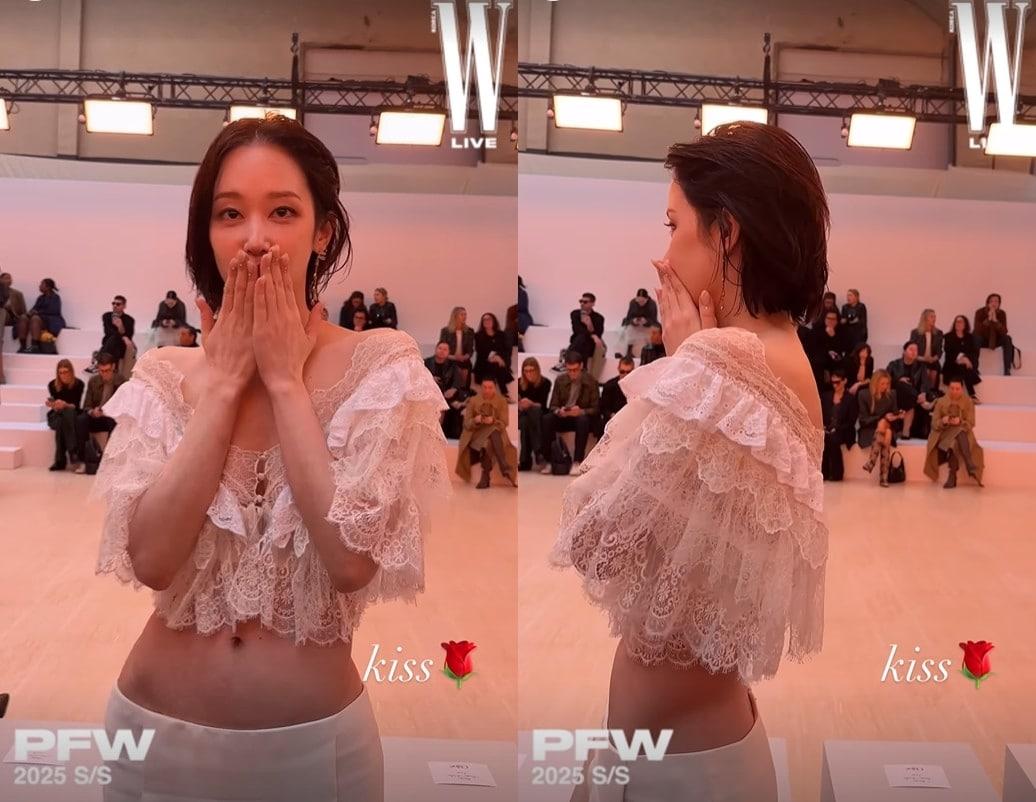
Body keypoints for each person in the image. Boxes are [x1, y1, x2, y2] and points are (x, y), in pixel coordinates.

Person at [88, 116, 450, 802]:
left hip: (314, 755)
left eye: (282, 211)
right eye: (230, 214)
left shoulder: (380, 365)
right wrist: (225, 383)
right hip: (151, 742)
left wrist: (284, 380)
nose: (255, 237)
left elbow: (350, 562)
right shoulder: (166, 372)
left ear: (323, 231)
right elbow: (152, 559)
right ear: (207, 234)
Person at [552, 123, 829, 802]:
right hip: (696, 746)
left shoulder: (722, 362)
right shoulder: (781, 353)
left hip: (681, 768)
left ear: (726, 232)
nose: (664, 250)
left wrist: (686, 366)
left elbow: (592, 543)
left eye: (674, 224)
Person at [539, 350, 601, 473]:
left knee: (583, 421)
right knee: (547, 419)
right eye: (569, 370)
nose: (572, 373)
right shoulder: (560, 380)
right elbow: (553, 405)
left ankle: (577, 461)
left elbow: (596, 408)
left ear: (581, 366)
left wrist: (581, 411)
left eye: (575, 370)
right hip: (564, 417)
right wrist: (559, 411)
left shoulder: (591, 381)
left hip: (581, 418)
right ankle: (549, 461)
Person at [455, 377, 518, 488]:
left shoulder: (502, 401)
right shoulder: (473, 400)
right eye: (484, 387)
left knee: (489, 440)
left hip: (495, 433)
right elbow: (466, 424)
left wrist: (493, 421)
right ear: (481, 387)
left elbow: (504, 423)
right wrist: (475, 420)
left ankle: (485, 475)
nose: (487, 390)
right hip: (476, 433)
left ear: (495, 388)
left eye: (490, 387)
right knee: (492, 433)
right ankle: (504, 466)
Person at [924, 378, 985, 488]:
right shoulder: (941, 401)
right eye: (952, 388)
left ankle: (952, 475)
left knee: (954, 442)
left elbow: (971, 423)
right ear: (948, 388)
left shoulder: (968, 402)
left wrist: (960, 421)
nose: (954, 391)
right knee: (956, 435)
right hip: (944, 433)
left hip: (962, 432)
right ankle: (969, 462)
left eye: (957, 389)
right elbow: (934, 423)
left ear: (962, 389)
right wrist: (943, 421)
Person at [76, 352, 126, 472]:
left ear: (113, 367)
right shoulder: (93, 381)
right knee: (81, 420)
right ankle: (83, 460)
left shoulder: (122, 382)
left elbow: (125, 406)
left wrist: (109, 412)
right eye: (101, 371)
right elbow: (86, 405)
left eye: (107, 370)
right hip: (97, 416)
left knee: (115, 423)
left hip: (112, 417)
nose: (104, 374)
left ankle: (109, 460)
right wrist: (92, 411)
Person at [857, 369, 903, 487]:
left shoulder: (891, 395)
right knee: (886, 433)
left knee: (885, 427)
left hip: (888, 425)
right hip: (869, 429)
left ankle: (871, 462)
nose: (885, 386)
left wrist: (897, 416)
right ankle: (884, 477)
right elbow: (863, 420)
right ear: (875, 383)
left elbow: (894, 414)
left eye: (887, 384)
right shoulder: (863, 394)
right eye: (882, 384)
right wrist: (881, 418)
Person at [887, 341, 935, 440]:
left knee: (912, 399)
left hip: (911, 399)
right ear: (904, 351)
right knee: (902, 384)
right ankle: (921, 402)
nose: (914, 352)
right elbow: (885, 380)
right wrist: (898, 381)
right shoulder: (894, 364)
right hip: (897, 395)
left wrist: (923, 393)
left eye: (916, 350)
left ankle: (906, 432)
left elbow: (925, 382)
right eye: (911, 349)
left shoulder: (920, 366)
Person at [46, 358, 86, 471]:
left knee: (65, 416)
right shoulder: (52, 385)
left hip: (71, 414)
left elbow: (75, 406)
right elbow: (55, 407)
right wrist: (53, 404)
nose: (63, 375)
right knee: (61, 419)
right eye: (60, 372)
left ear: (71, 371)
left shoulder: (79, 384)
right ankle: (73, 453)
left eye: (65, 372)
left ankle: (60, 461)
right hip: (56, 415)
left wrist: (65, 404)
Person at [820, 368, 858, 481]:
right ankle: (824, 472)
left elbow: (851, 421)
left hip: (844, 430)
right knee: (825, 438)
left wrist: (837, 428)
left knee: (832, 439)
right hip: (828, 429)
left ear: (844, 381)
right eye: (833, 382)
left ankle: (836, 473)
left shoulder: (850, 399)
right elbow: (821, 414)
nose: (835, 385)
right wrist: (824, 426)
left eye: (837, 382)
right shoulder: (826, 396)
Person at [89, 295, 137, 378]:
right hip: (109, 344)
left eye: (118, 304)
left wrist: (121, 326)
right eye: (113, 303)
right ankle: (115, 372)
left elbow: (129, 335)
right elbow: (108, 332)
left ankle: (98, 360)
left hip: (121, 347)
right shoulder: (107, 316)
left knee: (115, 340)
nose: (115, 305)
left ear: (124, 306)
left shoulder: (129, 319)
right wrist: (123, 335)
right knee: (114, 339)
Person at [517, 357, 551, 471]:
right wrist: (521, 404)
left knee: (529, 417)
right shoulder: (519, 383)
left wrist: (530, 403)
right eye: (526, 371)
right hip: (523, 413)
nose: (529, 373)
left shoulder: (545, 383)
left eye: (531, 370)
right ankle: (538, 451)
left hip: (538, 413)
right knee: (525, 419)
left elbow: (542, 404)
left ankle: (525, 461)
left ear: (537, 370)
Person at [563, 292, 605, 380]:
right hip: (579, 342)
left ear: (592, 303)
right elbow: (577, 330)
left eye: (585, 302)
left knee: (587, 340)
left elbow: (599, 334)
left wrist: (590, 325)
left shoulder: (599, 318)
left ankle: (566, 358)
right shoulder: (575, 314)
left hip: (591, 344)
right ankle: (584, 369)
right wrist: (592, 335)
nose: (582, 304)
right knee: (582, 338)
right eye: (581, 301)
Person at [17, 278, 66, 353]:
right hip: (41, 318)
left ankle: (34, 347)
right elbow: (34, 308)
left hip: (51, 320)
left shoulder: (55, 297)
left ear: (48, 287)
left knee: (35, 318)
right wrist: (30, 313)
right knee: (23, 317)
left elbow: (53, 311)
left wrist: (37, 313)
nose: (39, 286)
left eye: (42, 284)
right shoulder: (40, 298)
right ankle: (23, 347)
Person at [974, 293, 1014, 376]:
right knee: (976, 338)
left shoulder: (1002, 313)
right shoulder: (979, 312)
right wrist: (988, 319)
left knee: (1007, 338)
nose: (994, 303)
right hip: (983, 340)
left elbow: (1004, 331)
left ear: (999, 303)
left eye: (996, 301)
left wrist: (996, 321)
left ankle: (1007, 369)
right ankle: (974, 368)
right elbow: (978, 330)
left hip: (995, 340)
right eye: (991, 301)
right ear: (987, 303)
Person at [943, 314, 981, 401]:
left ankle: (959, 396)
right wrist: (960, 359)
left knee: (963, 367)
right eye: (956, 321)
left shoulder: (969, 337)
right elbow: (948, 352)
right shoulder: (948, 336)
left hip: (965, 365)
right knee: (962, 368)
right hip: (951, 364)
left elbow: (972, 352)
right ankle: (972, 394)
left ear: (965, 324)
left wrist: (966, 359)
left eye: (960, 322)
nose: (958, 323)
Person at [473, 311, 513, 395]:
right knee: (496, 366)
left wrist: (499, 358)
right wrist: (494, 357)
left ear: (494, 321)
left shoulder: (501, 334)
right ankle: (504, 392)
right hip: (483, 363)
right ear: (482, 323)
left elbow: (506, 350)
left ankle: (499, 393)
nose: (487, 321)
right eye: (484, 320)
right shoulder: (478, 335)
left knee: (496, 365)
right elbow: (480, 351)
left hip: (499, 362)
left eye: (489, 319)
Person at [0, 271, 29, 382]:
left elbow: (23, 311)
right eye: (5, 278)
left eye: (10, 278)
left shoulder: (17, 294)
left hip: (12, 318)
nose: (8, 280)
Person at [808, 309, 846, 389]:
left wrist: (833, 337)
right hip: (819, 361)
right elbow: (813, 348)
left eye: (833, 319)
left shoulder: (841, 331)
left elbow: (841, 350)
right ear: (824, 319)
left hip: (834, 362)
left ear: (837, 321)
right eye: (828, 318)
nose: (830, 321)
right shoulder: (817, 330)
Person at [615, 289, 658, 359]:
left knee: (653, 333)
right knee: (627, 330)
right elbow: (628, 317)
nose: (640, 303)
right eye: (638, 301)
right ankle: (628, 351)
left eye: (642, 301)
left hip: (648, 326)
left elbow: (654, 320)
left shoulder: (652, 304)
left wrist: (646, 321)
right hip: (635, 325)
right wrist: (633, 321)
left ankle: (649, 352)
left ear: (647, 299)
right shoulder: (633, 303)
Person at [908, 308, 943, 390]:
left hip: (932, 360)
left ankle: (932, 392)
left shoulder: (938, 333)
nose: (934, 319)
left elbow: (939, 351)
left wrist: (934, 358)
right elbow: (912, 350)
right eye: (931, 317)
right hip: (919, 359)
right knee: (925, 370)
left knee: (934, 371)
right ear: (925, 318)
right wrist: (923, 358)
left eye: (935, 316)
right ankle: (923, 392)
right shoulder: (915, 333)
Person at [598, 356, 634, 435]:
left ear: (633, 370)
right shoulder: (609, 385)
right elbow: (603, 407)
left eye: (628, 372)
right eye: (622, 371)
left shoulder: (637, 386)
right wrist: (613, 416)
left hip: (631, 419)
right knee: (603, 424)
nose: (625, 375)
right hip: (613, 418)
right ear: (618, 369)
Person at [439, 306, 475, 371]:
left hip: (464, 361)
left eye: (465, 314)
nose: (464, 317)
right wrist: (454, 357)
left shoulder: (469, 331)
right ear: (455, 316)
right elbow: (442, 348)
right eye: (462, 315)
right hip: (449, 360)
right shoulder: (445, 331)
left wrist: (465, 357)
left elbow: (470, 349)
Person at [517, 275, 534, 353]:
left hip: (522, 317)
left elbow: (522, 307)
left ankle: (520, 341)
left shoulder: (522, 293)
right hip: (516, 318)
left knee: (520, 320)